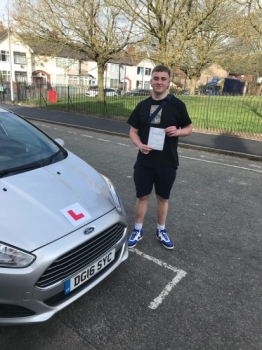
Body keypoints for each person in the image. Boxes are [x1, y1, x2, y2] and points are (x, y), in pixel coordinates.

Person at [127, 65, 192, 250]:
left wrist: (178, 131)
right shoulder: (142, 105)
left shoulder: (178, 105)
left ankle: (161, 230)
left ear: (168, 81)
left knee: (163, 198)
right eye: (156, 78)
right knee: (143, 196)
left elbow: (189, 128)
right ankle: (138, 229)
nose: (159, 82)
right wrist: (140, 145)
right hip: (145, 161)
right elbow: (133, 131)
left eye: (163, 79)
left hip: (167, 162)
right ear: (151, 80)